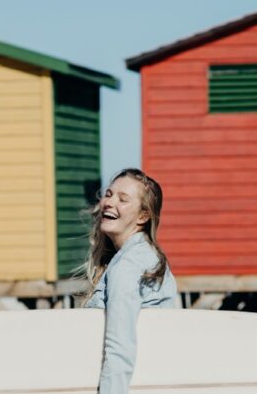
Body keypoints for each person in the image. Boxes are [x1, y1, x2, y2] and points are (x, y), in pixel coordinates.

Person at [82, 169, 179, 394]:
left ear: (143, 216)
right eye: (108, 194)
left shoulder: (128, 265)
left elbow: (120, 347)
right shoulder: (148, 257)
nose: (109, 202)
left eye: (123, 199)